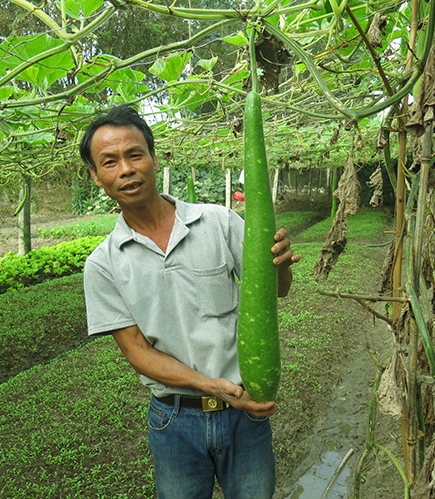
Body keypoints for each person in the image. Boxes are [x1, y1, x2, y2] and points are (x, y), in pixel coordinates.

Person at [79, 103, 299, 499]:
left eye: (134, 155)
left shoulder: (218, 221)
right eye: (109, 162)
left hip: (243, 415)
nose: (125, 169)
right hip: (174, 421)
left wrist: (279, 265)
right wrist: (211, 386)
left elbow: (276, 292)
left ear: (153, 157)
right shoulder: (102, 266)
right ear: (95, 176)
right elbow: (138, 353)